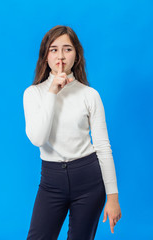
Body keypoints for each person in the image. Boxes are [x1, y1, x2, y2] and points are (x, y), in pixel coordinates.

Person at [23, 25, 122, 240]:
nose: (60, 56)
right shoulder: (34, 94)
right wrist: (52, 93)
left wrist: (113, 198)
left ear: (76, 55)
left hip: (88, 179)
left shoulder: (89, 95)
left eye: (67, 49)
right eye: (54, 49)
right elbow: (37, 138)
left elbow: (103, 146)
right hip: (51, 180)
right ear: (45, 56)